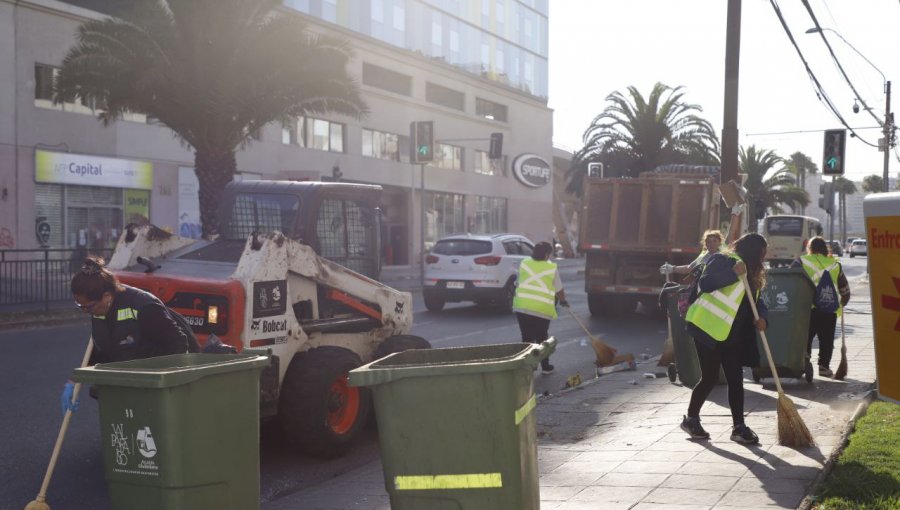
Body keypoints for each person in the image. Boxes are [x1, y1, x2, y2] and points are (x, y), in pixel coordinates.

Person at [62, 256, 199, 413]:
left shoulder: (143, 307)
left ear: (106, 297)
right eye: (80, 306)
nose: (85, 311)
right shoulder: (99, 309)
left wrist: (166, 383)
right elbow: (100, 351)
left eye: (87, 307)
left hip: (156, 379)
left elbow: (178, 343)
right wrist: (74, 381)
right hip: (132, 378)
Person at [681, 232, 770, 444]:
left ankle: (739, 427)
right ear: (755, 251)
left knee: (735, 378)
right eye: (763, 253)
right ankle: (691, 419)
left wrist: (763, 318)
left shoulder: (752, 273)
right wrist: (732, 273)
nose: (765, 257)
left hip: (732, 333)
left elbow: (756, 300)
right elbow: (706, 283)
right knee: (710, 377)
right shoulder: (723, 260)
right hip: (706, 327)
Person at [791, 237, 851, 377]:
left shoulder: (801, 261)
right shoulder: (835, 265)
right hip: (829, 310)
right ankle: (824, 367)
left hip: (807, 309)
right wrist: (842, 303)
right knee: (827, 339)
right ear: (825, 249)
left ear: (809, 248)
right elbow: (845, 290)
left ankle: (804, 361)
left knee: (806, 337)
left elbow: (791, 278)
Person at [513, 241, 567, 374]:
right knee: (542, 338)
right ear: (547, 254)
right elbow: (559, 290)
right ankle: (545, 367)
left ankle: (527, 367)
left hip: (522, 307)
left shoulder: (524, 263)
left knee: (527, 338)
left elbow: (517, 282)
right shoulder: (551, 268)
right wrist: (563, 301)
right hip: (541, 309)